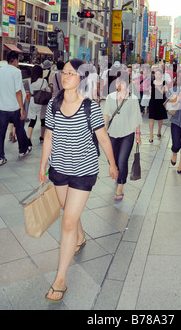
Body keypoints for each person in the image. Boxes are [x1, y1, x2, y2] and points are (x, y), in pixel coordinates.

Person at [38, 58, 118, 303]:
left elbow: (103, 138)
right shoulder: (53, 104)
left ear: (82, 78)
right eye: (64, 72)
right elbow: (49, 137)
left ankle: (60, 279)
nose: (66, 76)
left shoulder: (90, 107)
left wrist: (112, 164)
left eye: (71, 73)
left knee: (68, 222)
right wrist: (43, 167)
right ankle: (81, 236)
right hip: (59, 169)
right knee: (67, 210)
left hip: (84, 170)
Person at [103, 71, 142, 202]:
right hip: (112, 133)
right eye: (117, 82)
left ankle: (120, 186)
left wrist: (138, 134)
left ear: (128, 83)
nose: (119, 85)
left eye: (123, 82)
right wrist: (103, 129)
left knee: (122, 160)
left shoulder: (133, 99)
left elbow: (136, 117)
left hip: (128, 133)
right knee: (112, 160)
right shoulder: (110, 97)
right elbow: (106, 115)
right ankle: (118, 172)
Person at [0, 50, 32, 165]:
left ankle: (0, 158)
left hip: (1, 107)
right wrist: (22, 108)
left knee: (0, 132)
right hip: (14, 107)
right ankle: (22, 150)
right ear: (15, 60)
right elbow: (18, 92)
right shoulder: (16, 72)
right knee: (20, 129)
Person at [28, 64, 49, 144]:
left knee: (32, 120)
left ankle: (29, 138)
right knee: (43, 120)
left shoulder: (30, 81)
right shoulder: (44, 81)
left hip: (33, 101)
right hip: (41, 102)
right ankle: (41, 137)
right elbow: (46, 90)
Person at [148, 67, 167, 142]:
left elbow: (162, 92)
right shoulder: (152, 82)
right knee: (151, 118)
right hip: (153, 101)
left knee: (160, 118)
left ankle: (159, 130)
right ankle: (151, 136)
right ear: (154, 75)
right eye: (156, 74)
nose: (157, 75)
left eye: (159, 74)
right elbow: (150, 91)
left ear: (162, 75)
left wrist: (157, 87)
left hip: (160, 101)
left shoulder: (164, 82)